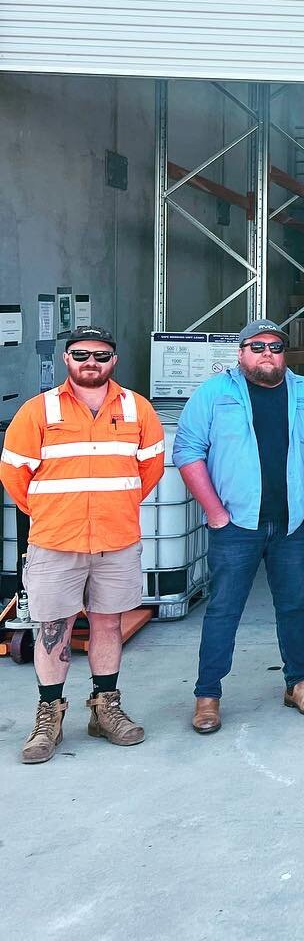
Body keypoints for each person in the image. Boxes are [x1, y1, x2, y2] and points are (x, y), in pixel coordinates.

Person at [1, 327, 165, 764]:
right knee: (52, 629)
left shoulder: (137, 409)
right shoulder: (38, 411)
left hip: (116, 541)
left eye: (101, 355)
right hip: (56, 542)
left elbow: (150, 470)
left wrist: (114, 507)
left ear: (114, 360)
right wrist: (57, 513)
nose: (90, 362)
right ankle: (49, 714)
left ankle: (104, 709)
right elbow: (14, 476)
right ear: (66, 359)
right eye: (81, 354)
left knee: (108, 625)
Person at [174, 319, 304, 734]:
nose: (268, 353)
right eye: (257, 346)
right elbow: (187, 451)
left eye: (276, 347)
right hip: (235, 524)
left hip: (293, 524)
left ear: (285, 353)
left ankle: (298, 684)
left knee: (295, 606)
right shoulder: (214, 393)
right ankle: (208, 695)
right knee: (224, 609)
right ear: (241, 352)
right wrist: (214, 512)